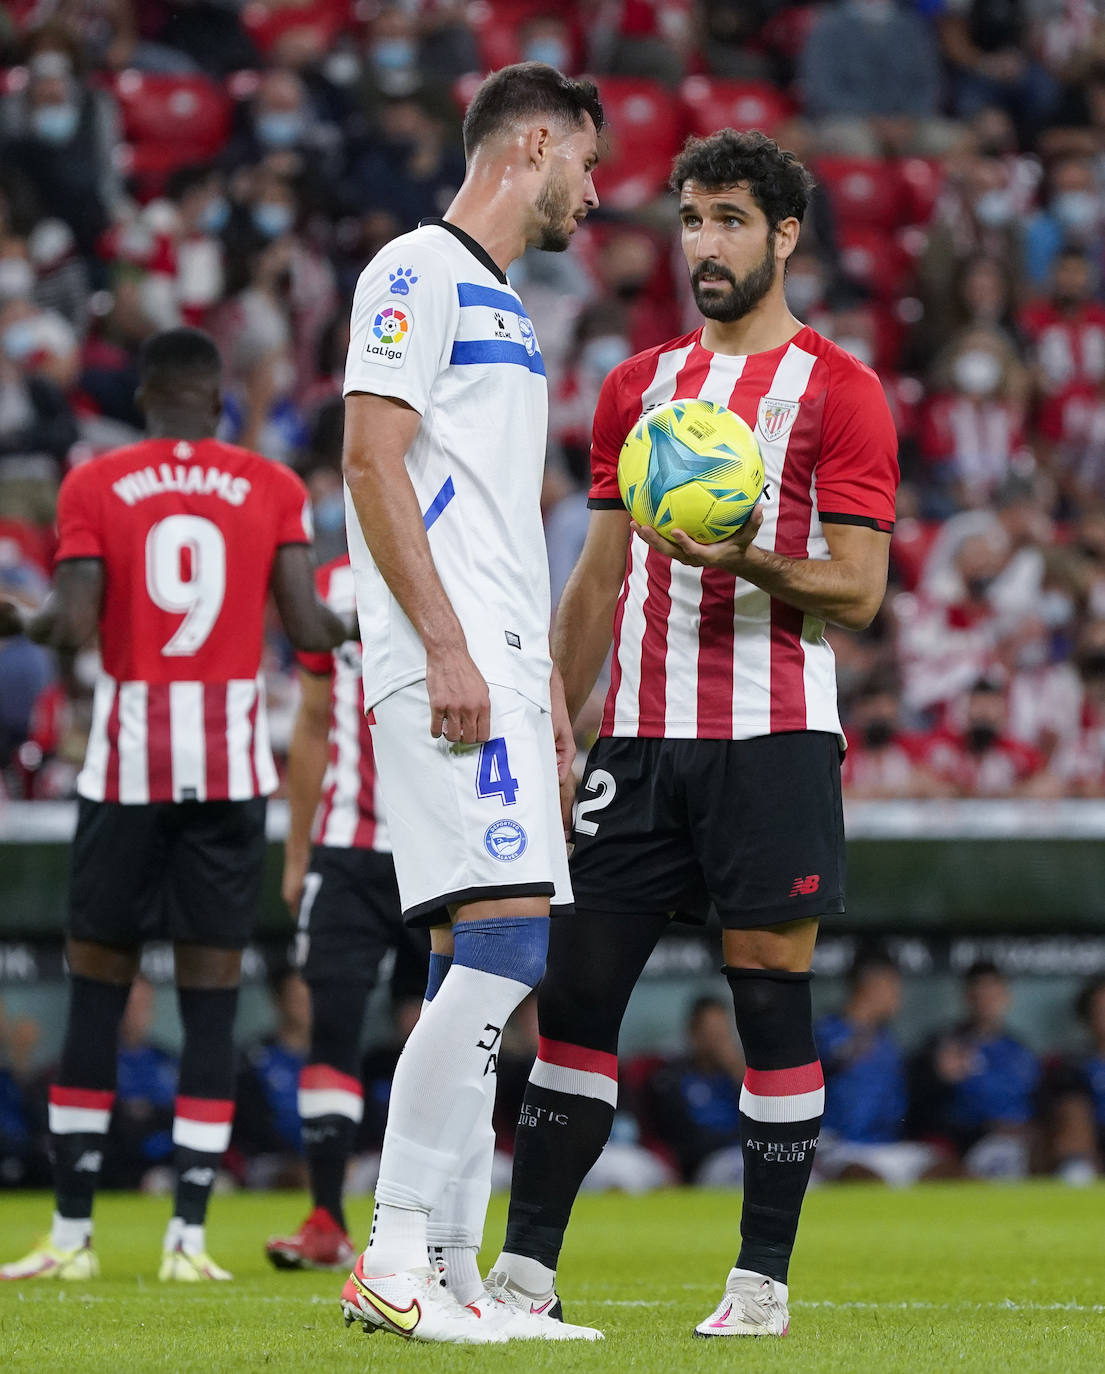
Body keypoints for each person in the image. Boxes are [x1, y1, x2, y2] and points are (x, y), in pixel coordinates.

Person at [489, 128, 900, 1340]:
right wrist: (558, 732)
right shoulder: (637, 386)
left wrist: (750, 554)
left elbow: (861, 589)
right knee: (575, 999)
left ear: (784, 235)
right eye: (690, 219)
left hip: (773, 737)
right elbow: (596, 583)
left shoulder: (840, 390)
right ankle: (524, 1275)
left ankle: (760, 1281)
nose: (704, 245)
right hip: (640, 741)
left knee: (770, 992)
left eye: (728, 220)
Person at [336, 62, 603, 1345]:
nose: (592, 196)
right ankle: (389, 1254)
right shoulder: (413, 270)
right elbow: (369, 455)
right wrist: (447, 648)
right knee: (505, 949)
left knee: (473, 956)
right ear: (533, 143)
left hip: (500, 662)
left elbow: (498, 522)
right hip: (446, 662)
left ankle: (444, 1267)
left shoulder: (502, 301)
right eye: (588, 167)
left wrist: (546, 688)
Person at [0, 326, 351, 1283]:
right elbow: (312, 625)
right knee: (208, 1000)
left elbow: (68, 632)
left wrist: (20, 617)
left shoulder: (94, 483)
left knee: (94, 990)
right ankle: (189, 1240)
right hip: (230, 773)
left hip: (124, 770)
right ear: (219, 396)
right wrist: (391, 623)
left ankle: (70, 1236)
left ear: (148, 393)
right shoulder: (272, 486)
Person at [263, 551, 429, 1271]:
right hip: (348, 849)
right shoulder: (329, 582)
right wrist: (297, 853)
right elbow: (310, 720)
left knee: (434, 1035)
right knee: (329, 1024)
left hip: (436, 848)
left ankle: (429, 1223)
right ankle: (327, 1216)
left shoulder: (459, 551)